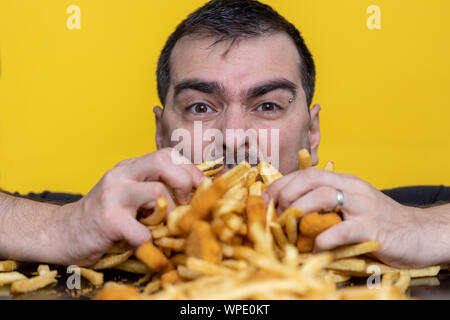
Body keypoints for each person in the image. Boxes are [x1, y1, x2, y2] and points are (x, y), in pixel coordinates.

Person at [1, 0, 449, 269]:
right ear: (162, 132)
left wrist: (421, 227)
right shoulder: (88, 226)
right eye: (200, 107)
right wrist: (55, 227)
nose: (233, 136)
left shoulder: (397, 219)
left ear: (311, 132)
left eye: (268, 105)